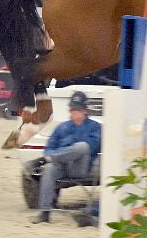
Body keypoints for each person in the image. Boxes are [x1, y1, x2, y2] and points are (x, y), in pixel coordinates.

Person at [32, 91, 102, 224]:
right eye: (72, 110)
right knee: (49, 169)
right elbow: (49, 148)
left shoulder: (95, 127)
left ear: (85, 111)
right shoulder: (62, 127)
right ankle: (44, 213)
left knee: (82, 147)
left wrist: (58, 154)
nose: (74, 113)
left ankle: (50, 159)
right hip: (62, 166)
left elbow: (93, 147)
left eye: (78, 110)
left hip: (82, 167)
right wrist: (59, 155)